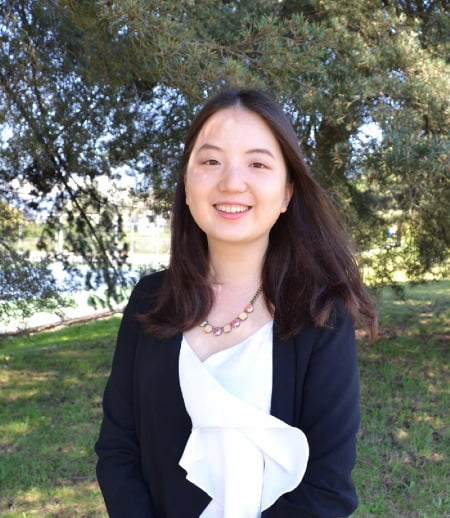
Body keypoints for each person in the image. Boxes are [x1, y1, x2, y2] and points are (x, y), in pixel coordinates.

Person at [95, 88, 378, 518]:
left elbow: (327, 490)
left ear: (287, 192)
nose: (231, 182)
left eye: (257, 164)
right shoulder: (149, 301)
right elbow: (118, 451)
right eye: (211, 161)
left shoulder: (321, 314)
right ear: (186, 185)